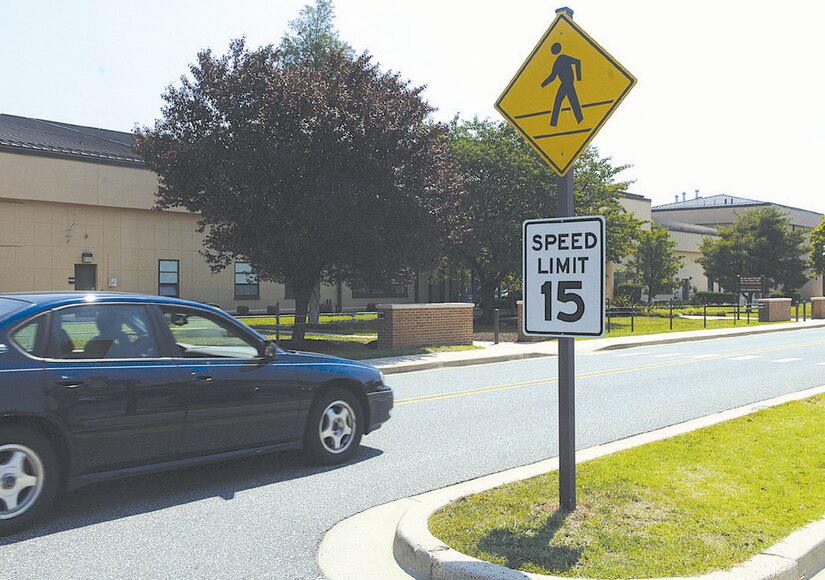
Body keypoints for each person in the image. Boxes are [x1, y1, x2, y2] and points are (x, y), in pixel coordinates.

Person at [541, 42, 583, 127]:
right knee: (572, 101)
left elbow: (577, 62)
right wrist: (542, 85)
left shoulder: (562, 58)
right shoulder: (557, 62)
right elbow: (553, 76)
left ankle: (553, 123)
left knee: (560, 101)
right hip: (565, 83)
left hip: (568, 83)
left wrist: (579, 79)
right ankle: (580, 120)